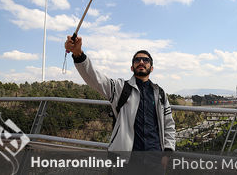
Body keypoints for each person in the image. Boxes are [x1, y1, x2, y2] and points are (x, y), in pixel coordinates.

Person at [65, 36, 175, 172]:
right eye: (137, 60)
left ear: (151, 68)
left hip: (155, 159)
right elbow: (95, 78)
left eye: (146, 60)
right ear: (131, 67)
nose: (141, 62)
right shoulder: (120, 88)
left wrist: (167, 153)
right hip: (126, 160)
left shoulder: (160, 94)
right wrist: (78, 54)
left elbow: (169, 125)